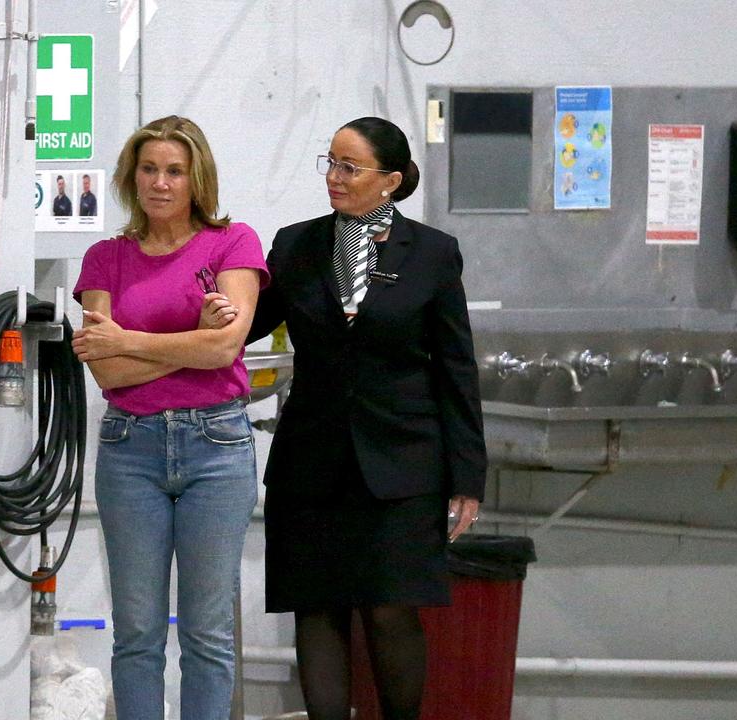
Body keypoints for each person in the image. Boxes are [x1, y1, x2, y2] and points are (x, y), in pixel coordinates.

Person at [206, 116, 486, 720]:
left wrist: (468, 477)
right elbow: (249, 324)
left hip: (405, 461)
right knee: (319, 604)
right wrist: (217, 306)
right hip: (313, 455)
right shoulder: (296, 244)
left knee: (390, 606)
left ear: (389, 180)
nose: (333, 177)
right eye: (329, 162)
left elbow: (456, 367)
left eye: (349, 167)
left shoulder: (434, 254)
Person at [71, 114, 268, 720]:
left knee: (207, 635)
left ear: (196, 178)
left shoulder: (233, 243)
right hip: (131, 448)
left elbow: (224, 350)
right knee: (136, 635)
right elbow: (106, 371)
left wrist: (131, 340)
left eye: (174, 171)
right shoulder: (105, 258)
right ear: (133, 178)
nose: (161, 182)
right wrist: (191, 343)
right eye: (150, 169)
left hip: (217, 444)